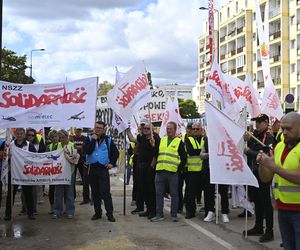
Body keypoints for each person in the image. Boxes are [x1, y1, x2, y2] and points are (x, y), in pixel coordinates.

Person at [258, 112, 300, 250]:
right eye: (282, 128)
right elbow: (266, 178)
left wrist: (274, 167)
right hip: (282, 209)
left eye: (289, 128)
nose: (285, 132)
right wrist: (262, 163)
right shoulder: (280, 146)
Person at [243, 114, 275, 242]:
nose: (257, 124)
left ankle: (269, 231)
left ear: (266, 122)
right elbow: (248, 146)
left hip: (264, 174)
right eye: (256, 122)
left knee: (266, 202)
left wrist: (249, 151)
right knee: (257, 200)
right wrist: (246, 139)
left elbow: (266, 154)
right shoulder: (255, 136)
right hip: (254, 172)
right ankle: (258, 226)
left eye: (259, 122)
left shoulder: (269, 137)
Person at [151, 121, 187, 222]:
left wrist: (178, 169)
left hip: (172, 172)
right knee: (158, 194)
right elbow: (156, 153)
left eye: (171, 129)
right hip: (160, 171)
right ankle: (159, 214)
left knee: (174, 194)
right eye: (167, 128)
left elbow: (184, 158)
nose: (169, 130)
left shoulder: (179, 142)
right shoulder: (162, 140)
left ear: (175, 130)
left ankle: (174, 215)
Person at [84, 121, 119, 222]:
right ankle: (97, 213)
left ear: (104, 129)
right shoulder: (89, 138)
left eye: (100, 128)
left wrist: (112, 163)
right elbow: (86, 151)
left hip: (103, 169)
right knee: (95, 193)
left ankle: (110, 214)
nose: (98, 129)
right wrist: (92, 141)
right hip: (92, 168)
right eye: (96, 127)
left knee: (105, 192)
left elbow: (115, 152)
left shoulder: (108, 139)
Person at [127, 121, 160, 219]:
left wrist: (151, 166)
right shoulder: (142, 137)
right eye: (144, 128)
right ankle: (148, 210)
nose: (145, 130)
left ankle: (153, 211)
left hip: (150, 167)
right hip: (141, 166)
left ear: (152, 130)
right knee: (144, 189)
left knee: (151, 190)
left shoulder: (156, 138)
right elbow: (132, 139)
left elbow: (156, 153)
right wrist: (127, 129)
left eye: (147, 128)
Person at [5, 128, 37, 220]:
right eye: (18, 133)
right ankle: (8, 214)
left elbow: (34, 157)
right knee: (11, 194)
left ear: (24, 135)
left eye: (21, 133)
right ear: (15, 134)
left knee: (28, 194)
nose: (19, 135)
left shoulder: (29, 145)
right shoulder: (10, 145)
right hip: (14, 172)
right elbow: (5, 156)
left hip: (25, 173)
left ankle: (30, 213)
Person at [200, 134, 230, 223]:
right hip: (210, 169)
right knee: (209, 191)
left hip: (222, 169)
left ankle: (225, 212)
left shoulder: (225, 139)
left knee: (223, 191)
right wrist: (208, 155)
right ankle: (210, 211)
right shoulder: (207, 139)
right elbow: (201, 155)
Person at [52, 129, 79, 219]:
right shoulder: (57, 145)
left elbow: (75, 158)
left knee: (69, 193)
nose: (61, 139)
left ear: (67, 137)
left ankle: (70, 211)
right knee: (58, 193)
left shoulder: (72, 145)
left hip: (69, 172)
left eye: (63, 137)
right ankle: (57, 210)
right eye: (60, 138)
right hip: (59, 173)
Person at [184, 123, 204, 219]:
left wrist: (199, 151)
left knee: (207, 192)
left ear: (201, 130)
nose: (195, 130)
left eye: (197, 129)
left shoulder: (205, 139)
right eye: (194, 129)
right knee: (190, 193)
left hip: (203, 170)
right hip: (192, 171)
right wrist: (203, 152)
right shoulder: (188, 139)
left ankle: (208, 211)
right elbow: (190, 151)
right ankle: (190, 211)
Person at [26, 128, 46, 215]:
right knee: (25, 191)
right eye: (29, 135)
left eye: (32, 135)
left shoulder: (39, 143)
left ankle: (34, 208)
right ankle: (24, 208)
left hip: (35, 169)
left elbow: (44, 152)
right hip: (25, 169)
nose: (31, 136)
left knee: (35, 189)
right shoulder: (24, 143)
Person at [70, 128, 90, 204]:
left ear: (81, 131)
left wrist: (78, 147)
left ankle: (86, 198)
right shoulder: (72, 138)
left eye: (79, 131)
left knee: (85, 180)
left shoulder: (85, 138)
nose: (78, 132)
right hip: (73, 161)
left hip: (83, 161)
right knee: (72, 180)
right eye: (77, 131)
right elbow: (69, 147)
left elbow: (87, 148)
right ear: (75, 131)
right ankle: (72, 197)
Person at [46, 129, 60, 214]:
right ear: (50, 138)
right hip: (51, 171)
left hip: (60, 171)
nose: (54, 138)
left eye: (56, 136)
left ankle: (60, 207)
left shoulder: (62, 145)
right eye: (52, 137)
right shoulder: (48, 147)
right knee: (52, 190)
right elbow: (46, 157)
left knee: (60, 190)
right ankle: (52, 207)